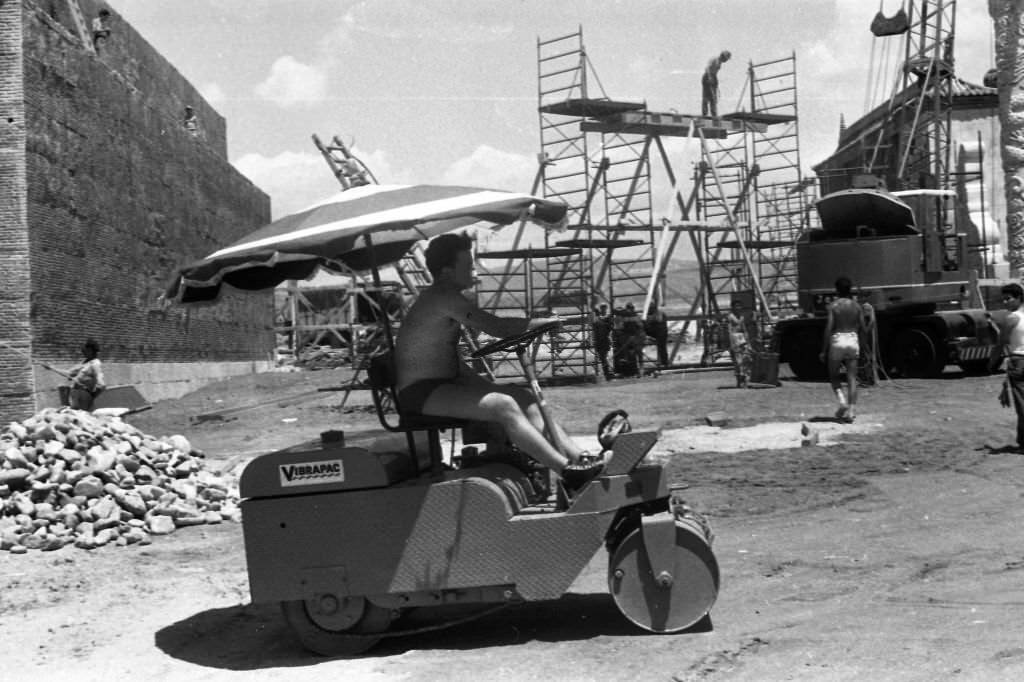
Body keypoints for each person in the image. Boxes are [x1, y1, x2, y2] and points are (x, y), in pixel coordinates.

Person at [394, 233, 603, 488]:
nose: (475, 272)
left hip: (442, 385)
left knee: (523, 397)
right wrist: (542, 322)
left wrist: (485, 382)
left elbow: (447, 355)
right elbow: (497, 326)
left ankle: (580, 458)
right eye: (469, 266)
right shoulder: (443, 298)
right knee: (502, 405)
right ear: (448, 271)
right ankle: (568, 472)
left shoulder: (444, 297)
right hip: (421, 393)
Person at [819, 277, 868, 422]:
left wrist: (823, 349)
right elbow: (863, 329)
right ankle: (852, 410)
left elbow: (828, 328)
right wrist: (864, 346)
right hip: (852, 339)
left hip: (838, 339)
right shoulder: (857, 307)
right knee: (852, 377)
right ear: (850, 289)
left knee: (833, 375)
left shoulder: (833, 306)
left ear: (837, 290)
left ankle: (842, 401)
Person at [988, 283, 1024, 451]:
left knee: (1022, 403)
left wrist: (991, 362)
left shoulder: (1012, 318)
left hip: (1019, 361)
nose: (1005, 302)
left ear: (1018, 298)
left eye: (1008, 298)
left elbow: (1001, 342)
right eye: (1003, 299)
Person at [67, 339, 106, 411]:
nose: (84, 352)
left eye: (86, 350)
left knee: (83, 419)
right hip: (76, 397)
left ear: (91, 350)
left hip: (83, 398)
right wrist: (51, 367)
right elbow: (69, 373)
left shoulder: (95, 364)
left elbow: (102, 385)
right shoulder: (85, 362)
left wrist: (92, 395)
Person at [726, 300, 752, 388]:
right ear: (732, 307)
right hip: (734, 338)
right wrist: (731, 343)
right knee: (738, 361)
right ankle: (739, 381)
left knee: (746, 359)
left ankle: (745, 380)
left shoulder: (741, 317)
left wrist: (748, 341)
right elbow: (729, 330)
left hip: (742, 339)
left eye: (739, 306)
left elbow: (744, 329)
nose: (738, 308)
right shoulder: (730, 317)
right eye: (736, 306)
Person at [701, 50, 731, 118]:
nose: (726, 61)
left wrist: (715, 81)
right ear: (723, 56)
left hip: (713, 77)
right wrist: (709, 77)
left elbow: (715, 72)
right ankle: (704, 113)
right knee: (706, 97)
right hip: (707, 77)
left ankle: (713, 113)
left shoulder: (720, 63)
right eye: (726, 59)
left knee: (713, 98)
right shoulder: (714, 59)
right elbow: (707, 68)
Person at [645, 302, 670, 367]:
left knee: (662, 348)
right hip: (662, 332)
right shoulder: (660, 313)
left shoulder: (657, 314)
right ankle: (664, 362)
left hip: (660, 333)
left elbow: (655, 320)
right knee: (662, 348)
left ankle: (664, 362)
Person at [591, 303, 612, 380]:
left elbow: (609, 327)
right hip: (599, 340)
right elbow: (595, 329)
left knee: (603, 357)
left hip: (604, 340)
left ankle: (607, 373)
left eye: (604, 308)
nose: (603, 309)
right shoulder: (597, 319)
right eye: (602, 308)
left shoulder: (607, 318)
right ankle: (606, 373)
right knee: (602, 358)